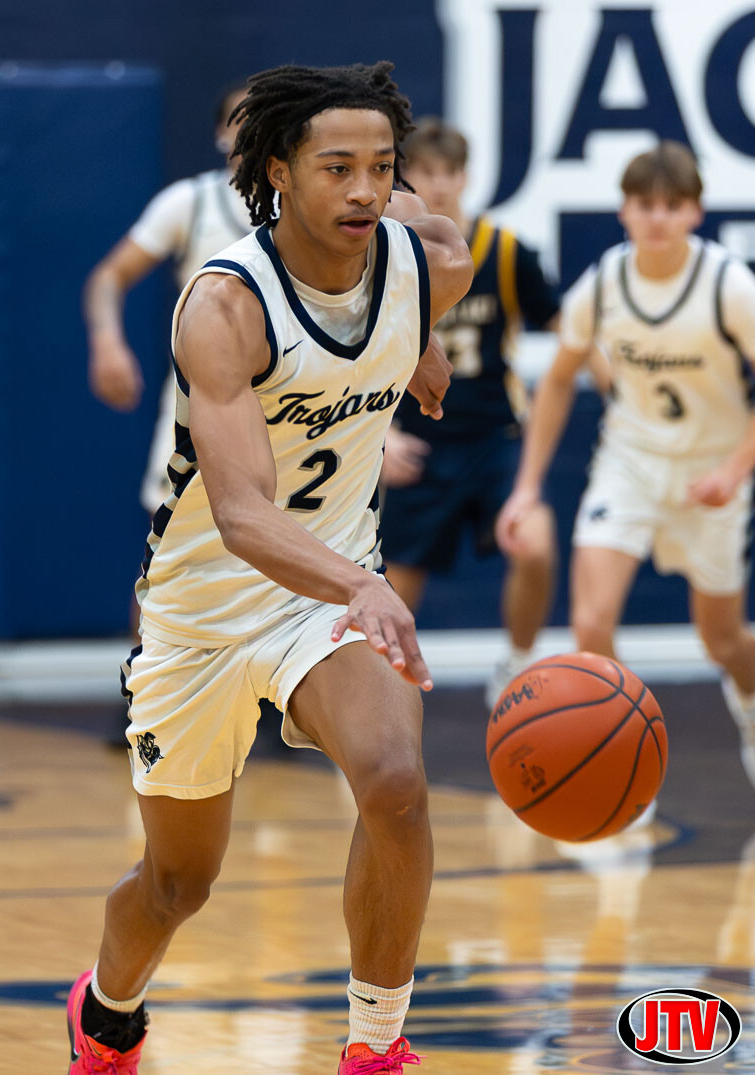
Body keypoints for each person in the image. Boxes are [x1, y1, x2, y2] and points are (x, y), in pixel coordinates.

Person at [65, 62, 471, 1074]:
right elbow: (244, 515)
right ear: (279, 172)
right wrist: (364, 586)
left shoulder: (424, 260)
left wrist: (416, 332)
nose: (366, 190)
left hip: (323, 597)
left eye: (382, 167)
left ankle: (375, 1044)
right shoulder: (224, 305)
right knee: (179, 883)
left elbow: (435, 244)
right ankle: (107, 1013)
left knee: (395, 782)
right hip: (205, 608)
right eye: (338, 168)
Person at [497, 139, 755, 791]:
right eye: (645, 204)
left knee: (722, 641)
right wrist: (527, 487)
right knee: (590, 623)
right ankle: (624, 761)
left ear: (695, 212)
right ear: (624, 211)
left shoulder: (729, 285)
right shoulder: (605, 283)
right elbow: (559, 379)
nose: (658, 217)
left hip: (712, 472)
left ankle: (751, 709)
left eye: (673, 205)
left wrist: (734, 471)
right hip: (630, 464)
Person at [379, 118, 563, 707]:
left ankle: (517, 664)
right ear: (407, 179)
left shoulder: (506, 252)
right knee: (391, 594)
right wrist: (381, 437)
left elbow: (572, 333)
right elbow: (353, 356)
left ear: (465, 177)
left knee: (536, 544)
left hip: (493, 437)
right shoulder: (384, 255)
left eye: (449, 172)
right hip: (418, 442)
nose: (439, 184)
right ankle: (380, 702)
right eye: (426, 172)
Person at [85, 84, 251, 515]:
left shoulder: (308, 206)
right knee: (170, 542)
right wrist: (107, 342)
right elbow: (108, 276)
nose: (254, 128)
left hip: (290, 396)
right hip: (200, 395)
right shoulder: (191, 202)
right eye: (241, 118)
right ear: (221, 133)